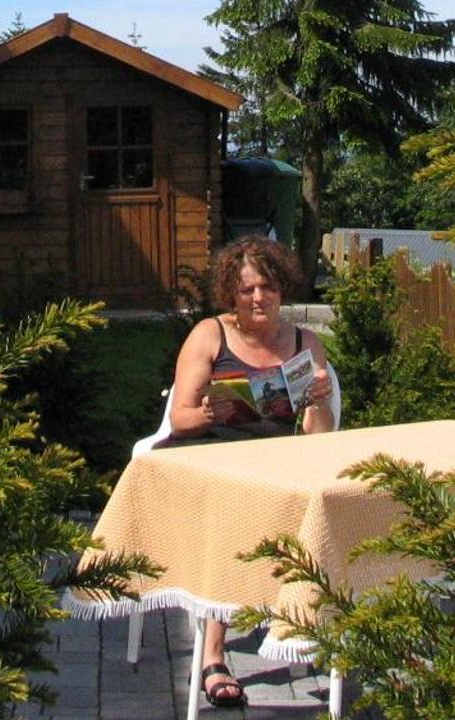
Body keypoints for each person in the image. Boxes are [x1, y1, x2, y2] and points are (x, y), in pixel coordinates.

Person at [160, 235, 335, 708]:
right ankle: (213, 655)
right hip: (211, 452)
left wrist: (316, 401)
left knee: (317, 503)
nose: (259, 298)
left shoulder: (305, 343)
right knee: (235, 510)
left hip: (273, 458)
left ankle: (302, 620)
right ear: (231, 296)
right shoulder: (210, 335)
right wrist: (217, 410)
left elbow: (319, 439)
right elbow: (180, 419)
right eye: (247, 290)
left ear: (282, 290)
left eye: (268, 287)